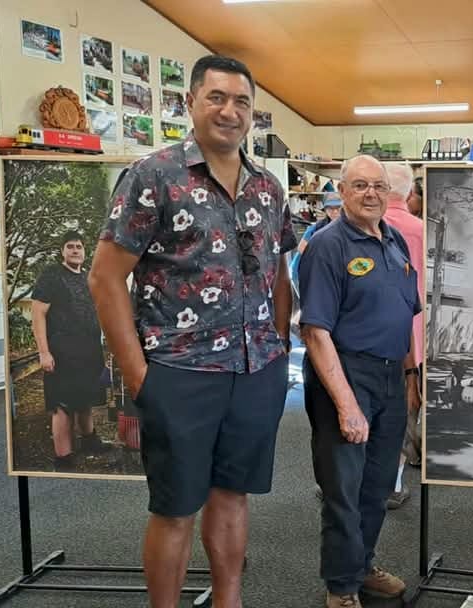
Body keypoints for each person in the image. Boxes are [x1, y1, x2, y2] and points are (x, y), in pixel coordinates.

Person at [89, 54, 295, 608]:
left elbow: (279, 274)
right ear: (191, 103)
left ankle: (230, 600)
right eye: (217, 98)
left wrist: (278, 349)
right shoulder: (154, 176)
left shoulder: (268, 188)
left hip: (255, 370)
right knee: (175, 508)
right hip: (179, 372)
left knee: (232, 496)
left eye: (242, 101)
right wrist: (140, 377)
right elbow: (104, 279)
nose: (230, 111)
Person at [298, 154, 421, 608]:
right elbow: (315, 332)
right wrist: (347, 404)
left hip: (390, 376)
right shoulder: (327, 246)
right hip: (345, 375)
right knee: (343, 489)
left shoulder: (394, 241)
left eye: (379, 186)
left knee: (378, 485)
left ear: (392, 193)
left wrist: (410, 374)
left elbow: (405, 314)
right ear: (342, 192)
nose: (371, 194)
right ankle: (341, 587)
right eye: (360, 185)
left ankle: (362, 565)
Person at [32, 231, 109, 472]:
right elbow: (38, 314)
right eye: (70, 246)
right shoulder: (52, 275)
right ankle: (63, 458)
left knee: (85, 399)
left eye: (79, 246)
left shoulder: (87, 277)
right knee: (62, 404)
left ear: (84, 251)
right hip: (62, 352)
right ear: (62, 251)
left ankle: (89, 441)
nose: (75, 250)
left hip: (88, 351)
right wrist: (44, 352)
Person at [382, 161, 425, 509]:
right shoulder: (424, 230)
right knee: (404, 407)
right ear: (410, 193)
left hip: (364, 339)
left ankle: (346, 479)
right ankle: (393, 483)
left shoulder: (355, 227)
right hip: (414, 334)